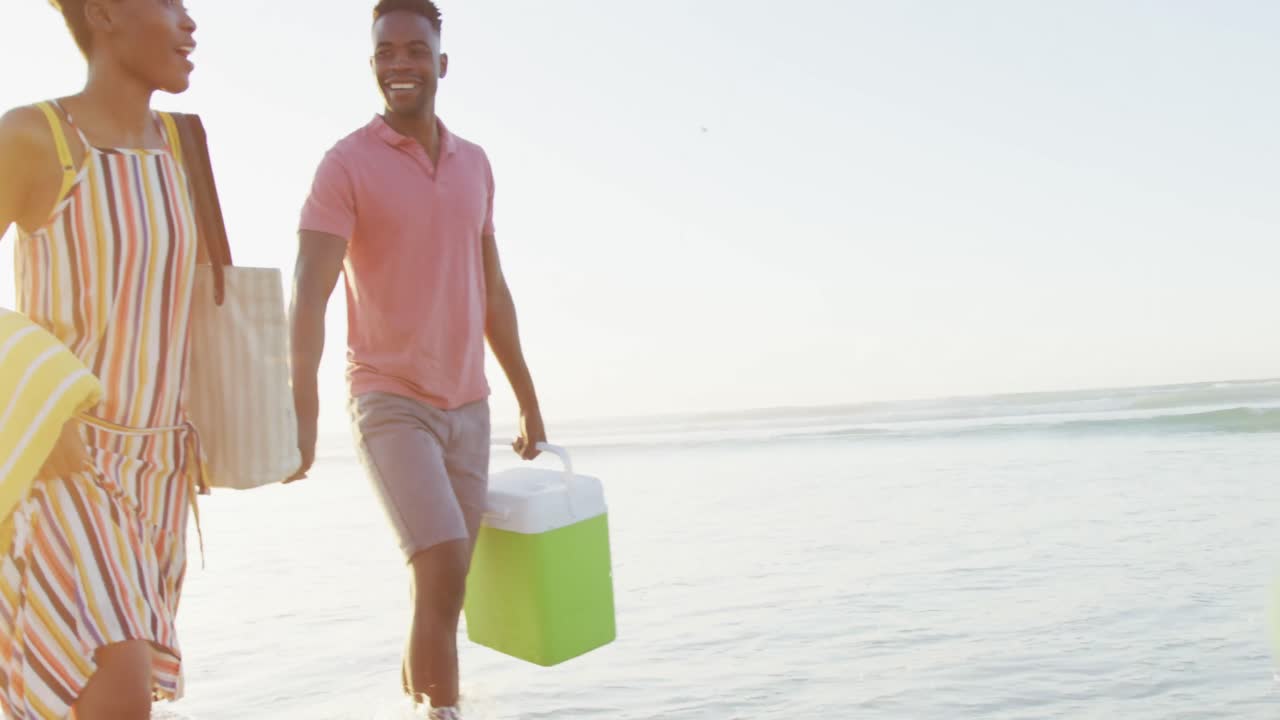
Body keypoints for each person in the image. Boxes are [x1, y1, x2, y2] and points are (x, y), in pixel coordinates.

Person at [289, 1, 548, 717]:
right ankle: (444, 711)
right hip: (389, 400)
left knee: (447, 583)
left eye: (413, 50)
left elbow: (492, 288)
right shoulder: (346, 164)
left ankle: (424, 706)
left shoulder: (476, 166)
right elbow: (307, 293)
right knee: (437, 567)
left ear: (441, 62)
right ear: (372, 63)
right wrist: (301, 413)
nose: (398, 64)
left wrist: (526, 397)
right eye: (384, 52)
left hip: (468, 404)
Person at [0, 1, 204, 718]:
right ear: (105, 12)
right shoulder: (36, 137)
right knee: (117, 682)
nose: (189, 22)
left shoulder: (183, 147)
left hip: (160, 475)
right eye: (169, 2)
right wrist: (34, 410)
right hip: (67, 464)